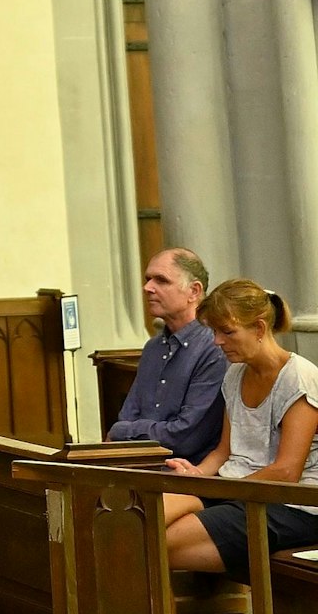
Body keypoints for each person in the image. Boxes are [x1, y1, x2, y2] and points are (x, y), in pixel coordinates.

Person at [162, 280, 318, 580]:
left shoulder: (299, 378)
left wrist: (220, 489)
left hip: (291, 504)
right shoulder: (234, 374)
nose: (217, 341)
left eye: (227, 332)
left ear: (259, 328)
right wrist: (196, 475)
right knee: (137, 518)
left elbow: (287, 472)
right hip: (237, 490)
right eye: (214, 332)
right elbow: (224, 452)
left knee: (160, 540)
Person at [109, 248, 225, 458]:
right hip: (140, 464)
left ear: (194, 291)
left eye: (161, 281)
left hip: (185, 471)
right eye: (147, 279)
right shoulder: (153, 349)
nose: (147, 288)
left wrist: (124, 432)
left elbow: (185, 439)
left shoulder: (214, 347)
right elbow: (126, 416)